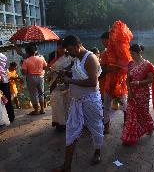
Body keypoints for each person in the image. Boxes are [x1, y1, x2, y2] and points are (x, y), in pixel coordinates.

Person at [52, 35, 104, 172]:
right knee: (71, 129)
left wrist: (71, 81)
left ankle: (97, 151)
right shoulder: (76, 57)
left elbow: (93, 82)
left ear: (77, 46)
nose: (69, 53)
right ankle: (66, 166)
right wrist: (65, 72)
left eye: (70, 50)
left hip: (91, 100)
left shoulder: (90, 58)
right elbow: (76, 71)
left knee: (96, 127)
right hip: (77, 100)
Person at [121, 44, 154, 145]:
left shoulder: (147, 65)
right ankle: (130, 137)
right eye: (131, 53)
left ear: (139, 53)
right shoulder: (130, 64)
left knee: (143, 112)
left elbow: (151, 79)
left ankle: (150, 126)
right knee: (131, 114)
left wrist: (139, 83)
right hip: (132, 93)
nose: (132, 55)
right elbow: (127, 79)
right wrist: (129, 91)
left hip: (142, 93)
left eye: (133, 53)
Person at [103, 22, 132, 135]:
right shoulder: (105, 54)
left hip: (121, 84)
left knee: (125, 106)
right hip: (109, 84)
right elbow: (103, 69)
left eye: (104, 40)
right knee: (106, 107)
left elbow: (129, 68)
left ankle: (127, 124)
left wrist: (121, 69)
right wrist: (111, 69)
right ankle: (106, 127)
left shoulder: (124, 53)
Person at [47, 40, 73, 131]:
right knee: (56, 103)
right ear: (57, 46)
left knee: (67, 103)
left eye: (64, 47)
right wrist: (50, 73)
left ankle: (68, 123)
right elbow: (49, 67)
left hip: (67, 83)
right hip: (55, 82)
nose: (62, 49)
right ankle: (59, 123)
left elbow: (72, 71)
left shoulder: (70, 56)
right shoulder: (52, 55)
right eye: (60, 47)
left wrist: (64, 73)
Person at [22, 44, 47, 115]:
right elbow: (45, 67)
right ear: (35, 51)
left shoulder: (26, 61)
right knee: (41, 93)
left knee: (33, 94)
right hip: (40, 76)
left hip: (31, 77)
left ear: (27, 52)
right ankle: (42, 109)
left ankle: (36, 110)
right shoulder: (41, 58)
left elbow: (24, 72)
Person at [0, 53, 14, 122]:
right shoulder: (4, 56)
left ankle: (4, 118)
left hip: (1, 80)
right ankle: (11, 116)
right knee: (7, 100)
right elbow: (6, 68)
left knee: (2, 100)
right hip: (5, 80)